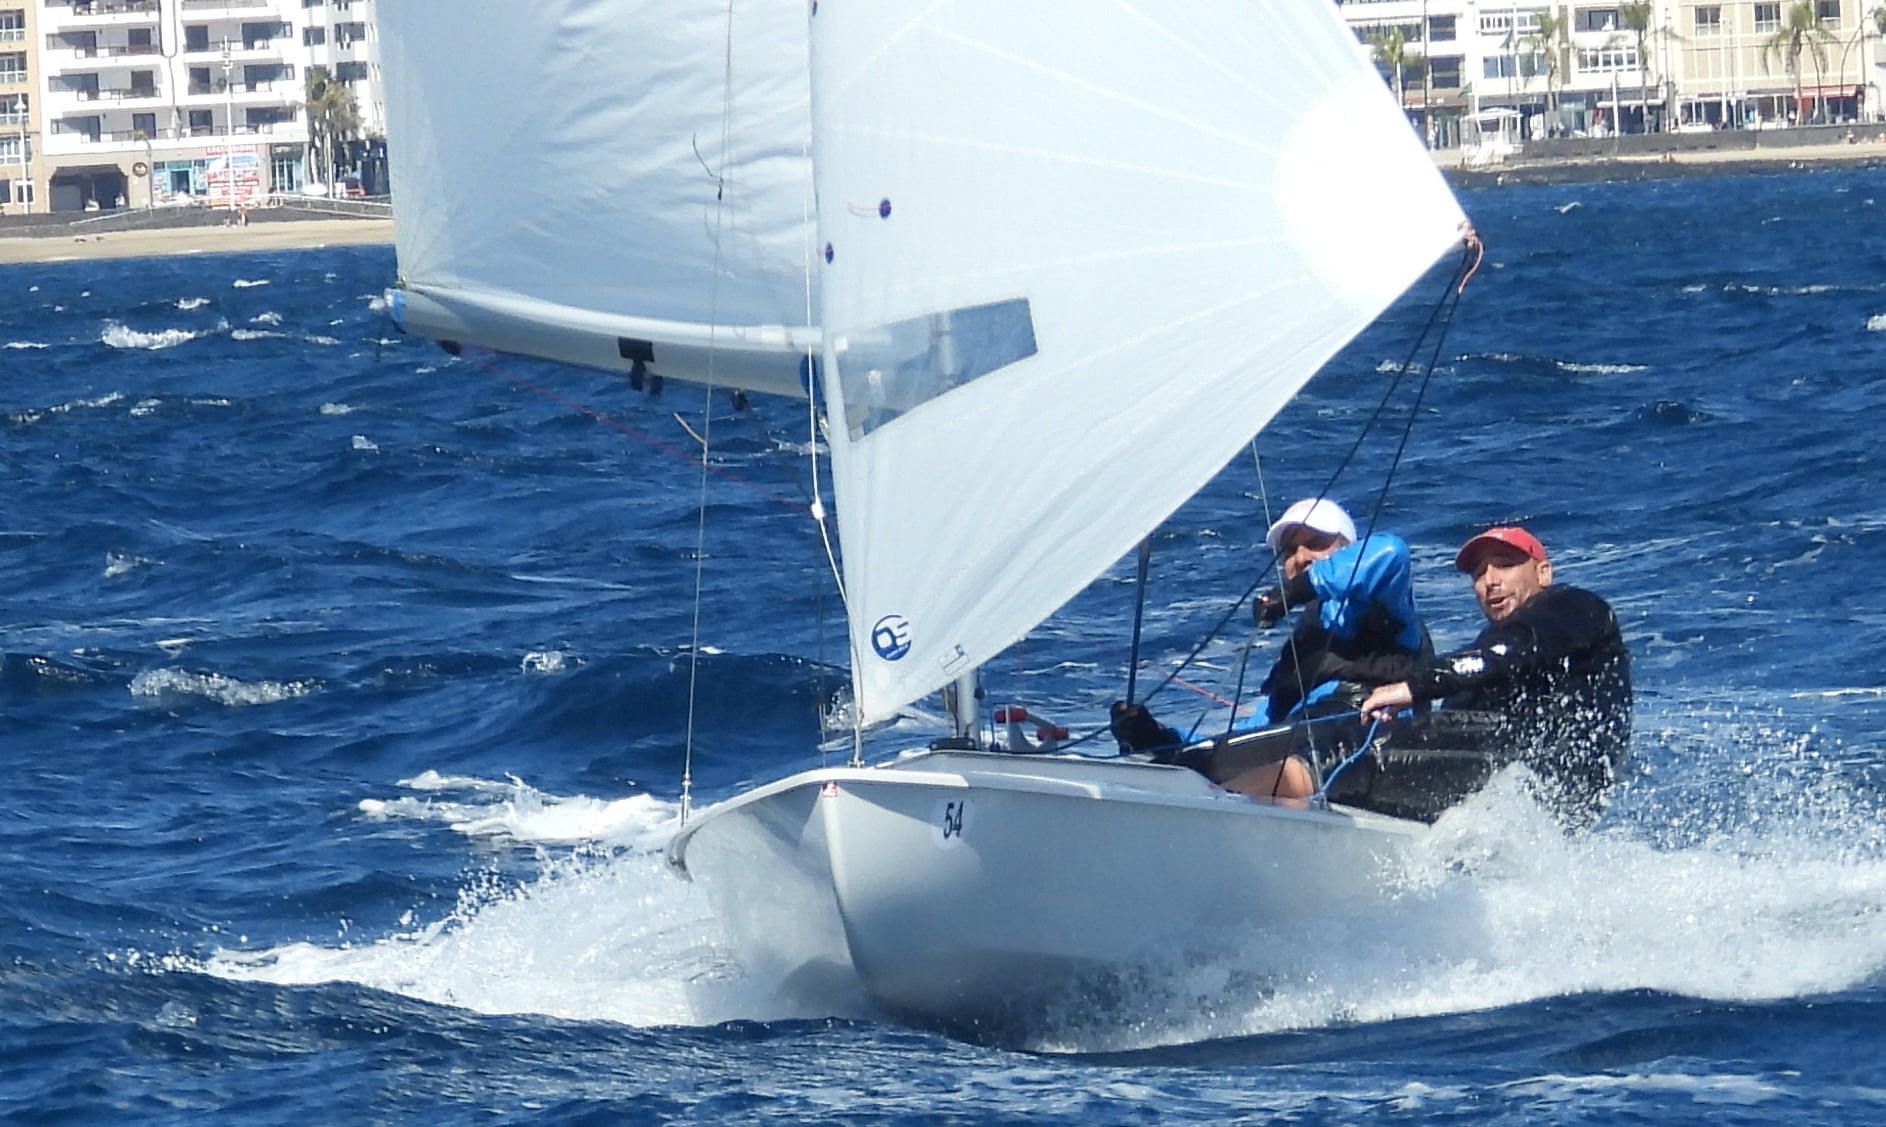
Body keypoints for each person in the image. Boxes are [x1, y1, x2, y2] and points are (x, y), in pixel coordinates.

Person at [1112, 498, 1431, 802]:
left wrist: (1295, 591)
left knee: (1216, 775)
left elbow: (1392, 552)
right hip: (1301, 747)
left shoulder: (1384, 603)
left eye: (1317, 543)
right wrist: (1156, 738)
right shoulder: (1301, 650)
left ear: (1347, 548)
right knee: (1179, 762)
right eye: (1290, 550)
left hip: (1365, 744)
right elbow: (1257, 731)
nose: (1301, 556)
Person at [1359, 526, 1632, 827]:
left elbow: (1510, 651)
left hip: (1556, 782)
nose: (1490, 581)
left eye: (1505, 564)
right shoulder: (1488, 648)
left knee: (1346, 757)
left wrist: (1414, 687)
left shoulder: (1576, 608)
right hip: (1505, 790)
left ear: (1543, 573)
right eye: (1478, 573)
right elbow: (1460, 716)